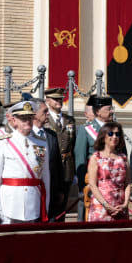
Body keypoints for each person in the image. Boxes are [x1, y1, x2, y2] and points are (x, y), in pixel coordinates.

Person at [0, 101, 51, 224]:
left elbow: (46, 177)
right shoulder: (3, 142)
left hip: (34, 201)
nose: (27, 121)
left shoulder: (41, 143)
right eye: (23, 118)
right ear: (14, 120)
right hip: (9, 203)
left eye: (29, 117)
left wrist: (46, 203)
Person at [74, 95, 113, 221]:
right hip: (93, 182)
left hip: (112, 183)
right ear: (97, 112)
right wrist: (82, 185)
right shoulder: (86, 130)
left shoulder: (115, 129)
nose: (112, 111)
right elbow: (80, 157)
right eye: (108, 109)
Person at [87, 121, 130, 222]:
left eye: (117, 134)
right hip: (101, 207)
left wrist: (125, 204)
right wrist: (106, 205)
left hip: (120, 207)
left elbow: (128, 183)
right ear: (103, 136)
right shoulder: (96, 157)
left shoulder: (123, 158)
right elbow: (93, 185)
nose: (114, 137)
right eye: (111, 133)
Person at [44, 87, 76, 216]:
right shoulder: (45, 120)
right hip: (51, 167)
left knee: (63, 207)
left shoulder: (69, 120)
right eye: (55, 99)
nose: (59, 101)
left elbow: (72, 145)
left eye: (61, 99)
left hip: (66, 168)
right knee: (50, 204)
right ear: (47, 100)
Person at [32, 100, 64, 221]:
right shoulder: (27, 135)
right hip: (33, 189)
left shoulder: (51, 135)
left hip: (52, 189)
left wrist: (60, 189)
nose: (48, 114)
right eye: (45, 111)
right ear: (34, 114)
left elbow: (57, 164)